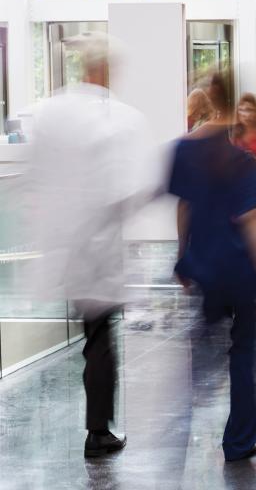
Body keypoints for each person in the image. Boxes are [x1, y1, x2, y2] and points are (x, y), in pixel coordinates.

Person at [26, 32, 152, 458]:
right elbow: (126, 189)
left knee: (91, 336)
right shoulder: (117, 118)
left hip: (64, 246)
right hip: (97, 250)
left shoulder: (51, 111)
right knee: (100, 341)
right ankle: (98, 431)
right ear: (105, 69)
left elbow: (39, 177)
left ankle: (98, 426)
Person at [169, 70, 256, 462]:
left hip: (204, 262)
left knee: (203, 349)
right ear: (234, 102)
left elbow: (184, 206)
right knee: (244, 350)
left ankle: (178, 430)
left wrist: (182, 255)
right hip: (239, 268)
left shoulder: (183, 149)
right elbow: (254, 223)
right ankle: (238, 440)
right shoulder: (241, 161)